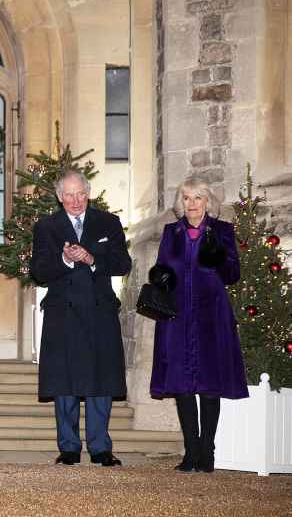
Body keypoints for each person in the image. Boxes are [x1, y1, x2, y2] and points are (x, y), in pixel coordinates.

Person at [30, 170, 132, 467]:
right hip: (63, 313)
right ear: (60, 197)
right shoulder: (46, 227)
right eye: (70, 195)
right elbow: (39, 270)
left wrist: (91, 259)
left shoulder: (108, 222)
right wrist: (65, 260)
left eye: (81, 194)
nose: (76, 200)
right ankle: (69, 447)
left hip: (99, 311)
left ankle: (101, 447)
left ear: (88, 193)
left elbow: (123, 264)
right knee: (64, 383)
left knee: (101, 381)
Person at [149, 176, 247, 473]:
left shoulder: (222, 230)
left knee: (209, 383)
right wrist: (159, 275)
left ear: (207, 201)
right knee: (181, 385)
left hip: (211, 316)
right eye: (187, 198)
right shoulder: (171, 232)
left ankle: (207, 451)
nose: (191, 204)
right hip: (178, 316)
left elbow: (232, 275)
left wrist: (218, 257)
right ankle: (190, 452)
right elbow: (163, 267)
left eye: (197, 198)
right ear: (181, 202)